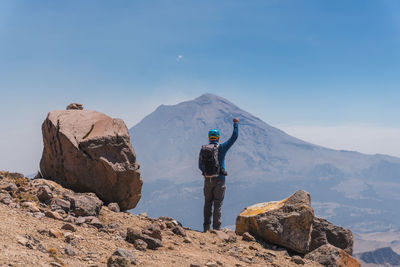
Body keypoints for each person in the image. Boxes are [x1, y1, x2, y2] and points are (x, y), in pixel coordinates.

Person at [199, 118, 239, 232]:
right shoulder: (221, 148)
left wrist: (206, 172)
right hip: (220, 179)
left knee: (207, 203)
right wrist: (236, 124)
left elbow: (200, 165)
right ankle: (216, 229)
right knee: (218, 204)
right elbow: (234, 137)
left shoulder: (204, 149)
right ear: (218, 138)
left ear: (209, 137)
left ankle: (206, 229)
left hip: (208, 180)